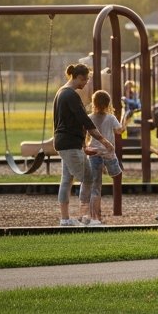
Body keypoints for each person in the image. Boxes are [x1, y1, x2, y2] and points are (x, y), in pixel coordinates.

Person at [52, 63, 116, 227]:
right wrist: (104, 141)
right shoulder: (71, 95)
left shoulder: (61, 93)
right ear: (78, 77)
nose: (87, 82)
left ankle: (65, 219)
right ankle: (86, 218)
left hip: (65, 143)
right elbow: (84, 121)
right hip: (69, 145)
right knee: (89, 178)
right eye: (85, 79)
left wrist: (83, 146)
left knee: (67, 180)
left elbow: (67, 122)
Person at [83, 90, 125, 226]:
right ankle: (97, 217)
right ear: (108, 104)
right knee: (117, 174)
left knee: (95, 186)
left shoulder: (89, 117)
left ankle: (95, 217)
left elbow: (86, 135)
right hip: (108, 153)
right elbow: (120, 130)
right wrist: (124, 114)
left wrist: (85, 147)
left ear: (93, 103)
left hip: (94, 154)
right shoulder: (111, 118)